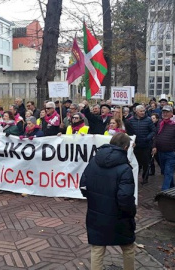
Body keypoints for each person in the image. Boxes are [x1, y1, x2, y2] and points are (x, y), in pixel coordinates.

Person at [80, 133, 136, 270]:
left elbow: (83, 184)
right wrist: (130, 212)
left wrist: (93, 198)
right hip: (119, 215)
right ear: (125, 147)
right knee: (128, 248)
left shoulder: (94, 160)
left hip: (96, 213)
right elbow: (125, 197)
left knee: (97, 248)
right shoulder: (125, 168)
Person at [0, 111, 19, 195]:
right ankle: (0, 186)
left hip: (9, 151)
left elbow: (16, 135)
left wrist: (10, 134)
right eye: (3, 116)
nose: (4, 117)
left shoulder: (14, 126)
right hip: (1, 150)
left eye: (6, 116)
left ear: (10, 117)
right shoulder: (2, 126)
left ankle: (1, 186)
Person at [128, 105, 156, 184]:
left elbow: (153, 130)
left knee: (145, 163)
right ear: (136, 112)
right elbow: (129, 132)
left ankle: (145, 178)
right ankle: (134, 177)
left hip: (146, 145)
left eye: (144, 111)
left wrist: (148, 138)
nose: (143, 112)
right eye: (141, 111)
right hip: (135, 146)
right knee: (135, 162)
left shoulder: (148, 120)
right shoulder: (131, 121)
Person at [152, 105, 175, 190]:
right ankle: (172, 188)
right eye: (163, 112)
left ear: (171, 113)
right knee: (166, 172)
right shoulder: (160, 123)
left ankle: (163, 194)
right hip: (160, 153)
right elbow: (156, 135)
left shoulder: (174, 124)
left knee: (168, 173)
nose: (165, 114)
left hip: (171, 153)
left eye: (167, 112)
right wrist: (154, 146)